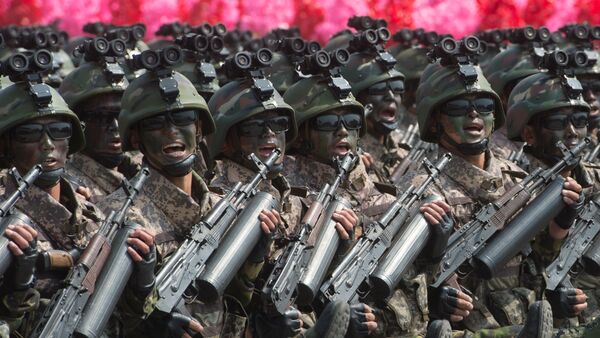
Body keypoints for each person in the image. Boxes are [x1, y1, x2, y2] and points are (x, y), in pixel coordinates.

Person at [399, 41, 583, 337]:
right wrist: (432, 295)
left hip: (529, 321)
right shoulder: (419, 190)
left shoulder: (520, 178)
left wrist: (558, 230)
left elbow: (538, 265)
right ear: (435, 121)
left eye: (483, 106)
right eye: (459, 107)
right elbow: (397, 286)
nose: (474, 115)